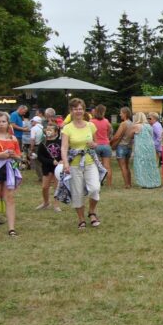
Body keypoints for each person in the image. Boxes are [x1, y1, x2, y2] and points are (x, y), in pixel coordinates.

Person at [60, 98, 104, 229]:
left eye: (80, 109)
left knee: (95, 188)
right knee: (77, 193)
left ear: (84, 110)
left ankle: (92, 212)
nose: (78, 111)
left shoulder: (91, 125)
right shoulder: (67, 128)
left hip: (90, 162)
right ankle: (81, 218)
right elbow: (64, 148)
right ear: (71, 111)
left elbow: (97, 143)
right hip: (74, 164)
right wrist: (65, 164)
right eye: (75, 109)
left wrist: (94, 144)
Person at [35, 121, 62, 212]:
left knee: (57, 186)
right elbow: (40, 156)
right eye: (47, 129)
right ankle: (46, 202)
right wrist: (51, 161)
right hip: (47, 166)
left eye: (51, 129)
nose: (48, 131)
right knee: (44, 186)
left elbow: (63, 152)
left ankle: (56, 205)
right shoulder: (43, 143)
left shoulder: (60, 141)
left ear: (56, 131)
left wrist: (59, 161)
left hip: (58, 167)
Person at [131, 112, 161, 189]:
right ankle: (154, 182)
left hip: (140, 147)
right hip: (150, 147)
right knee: (151, 165)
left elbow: (130, 135)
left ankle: (144, 182)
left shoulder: (136, 126)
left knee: (141, 165)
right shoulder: (149, 126)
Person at [110, 107, 134, 188]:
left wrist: (110, 142)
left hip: (121, 147)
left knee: (123, 166)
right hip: (129, 147)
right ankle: (129, 183)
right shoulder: (132, 123)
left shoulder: (123, 124)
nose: (120, 114)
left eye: (121, 113)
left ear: (125, 114)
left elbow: (117, 136)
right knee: (127, 166)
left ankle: (126, 184)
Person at [90, 104, 113, 187]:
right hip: (106, 145)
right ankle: (109, 184)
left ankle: (97, 183)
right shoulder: (106, 121)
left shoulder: (91, 122)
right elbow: (110, 131)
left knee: (96, 166)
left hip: (96, 145)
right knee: (107, 166)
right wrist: (107, 137)